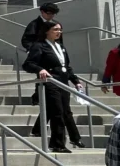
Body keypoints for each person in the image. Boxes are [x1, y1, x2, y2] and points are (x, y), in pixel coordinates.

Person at [24, 21, 84, 153]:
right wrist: (40, 69)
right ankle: (57, 144)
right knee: (57, 112)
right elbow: (28, 64)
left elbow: (66, 67)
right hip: (50, 82)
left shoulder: (61, 47)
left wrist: (75, 81)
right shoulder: (39, 46)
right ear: (47, 31)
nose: (59, 32)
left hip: (63, 83)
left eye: (60, 30)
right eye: (55, 29)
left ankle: (69, 139)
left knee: (65, 111)